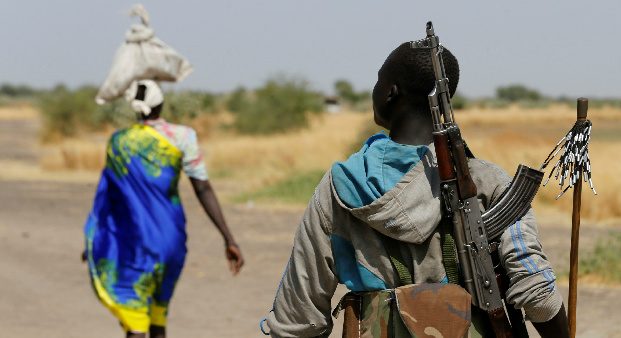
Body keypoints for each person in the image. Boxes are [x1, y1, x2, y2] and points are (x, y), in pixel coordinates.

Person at [263, 42, 569, 337]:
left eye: (377, 80)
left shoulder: (339, 187)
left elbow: (298, 318)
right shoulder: (486, 181)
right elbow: (537, 292)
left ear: (390, 93)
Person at [83, 80, 244, 338]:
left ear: (134, 107)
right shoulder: (184, 137)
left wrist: (94, 240)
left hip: (133, 241)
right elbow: (203, 188)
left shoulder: (119, 142)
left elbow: (107, 197)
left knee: (136, 317)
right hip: (171, 240)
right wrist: (229, 238)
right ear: (161, 103)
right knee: (159, 316)